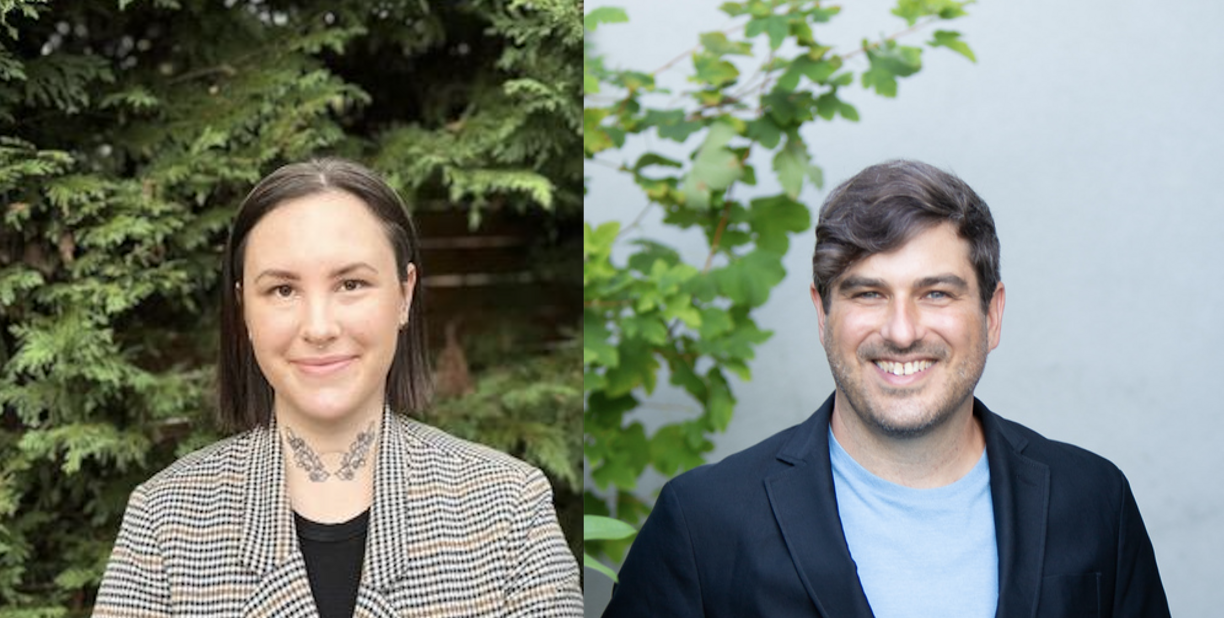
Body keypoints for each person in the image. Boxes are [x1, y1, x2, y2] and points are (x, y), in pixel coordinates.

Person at [602, 160, 1169, 618]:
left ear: (992, 316)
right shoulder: (704, 521)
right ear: (822, 316)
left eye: (937, 294)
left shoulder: (1094, 501)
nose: (902, 332)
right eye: (868, 294)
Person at [94, 158, 582, 617]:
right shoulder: (164, 519)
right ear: (244, 307)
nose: (320, 327)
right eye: (283, 290)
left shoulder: (508, 507)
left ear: (405, 294)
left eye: (350, 284)